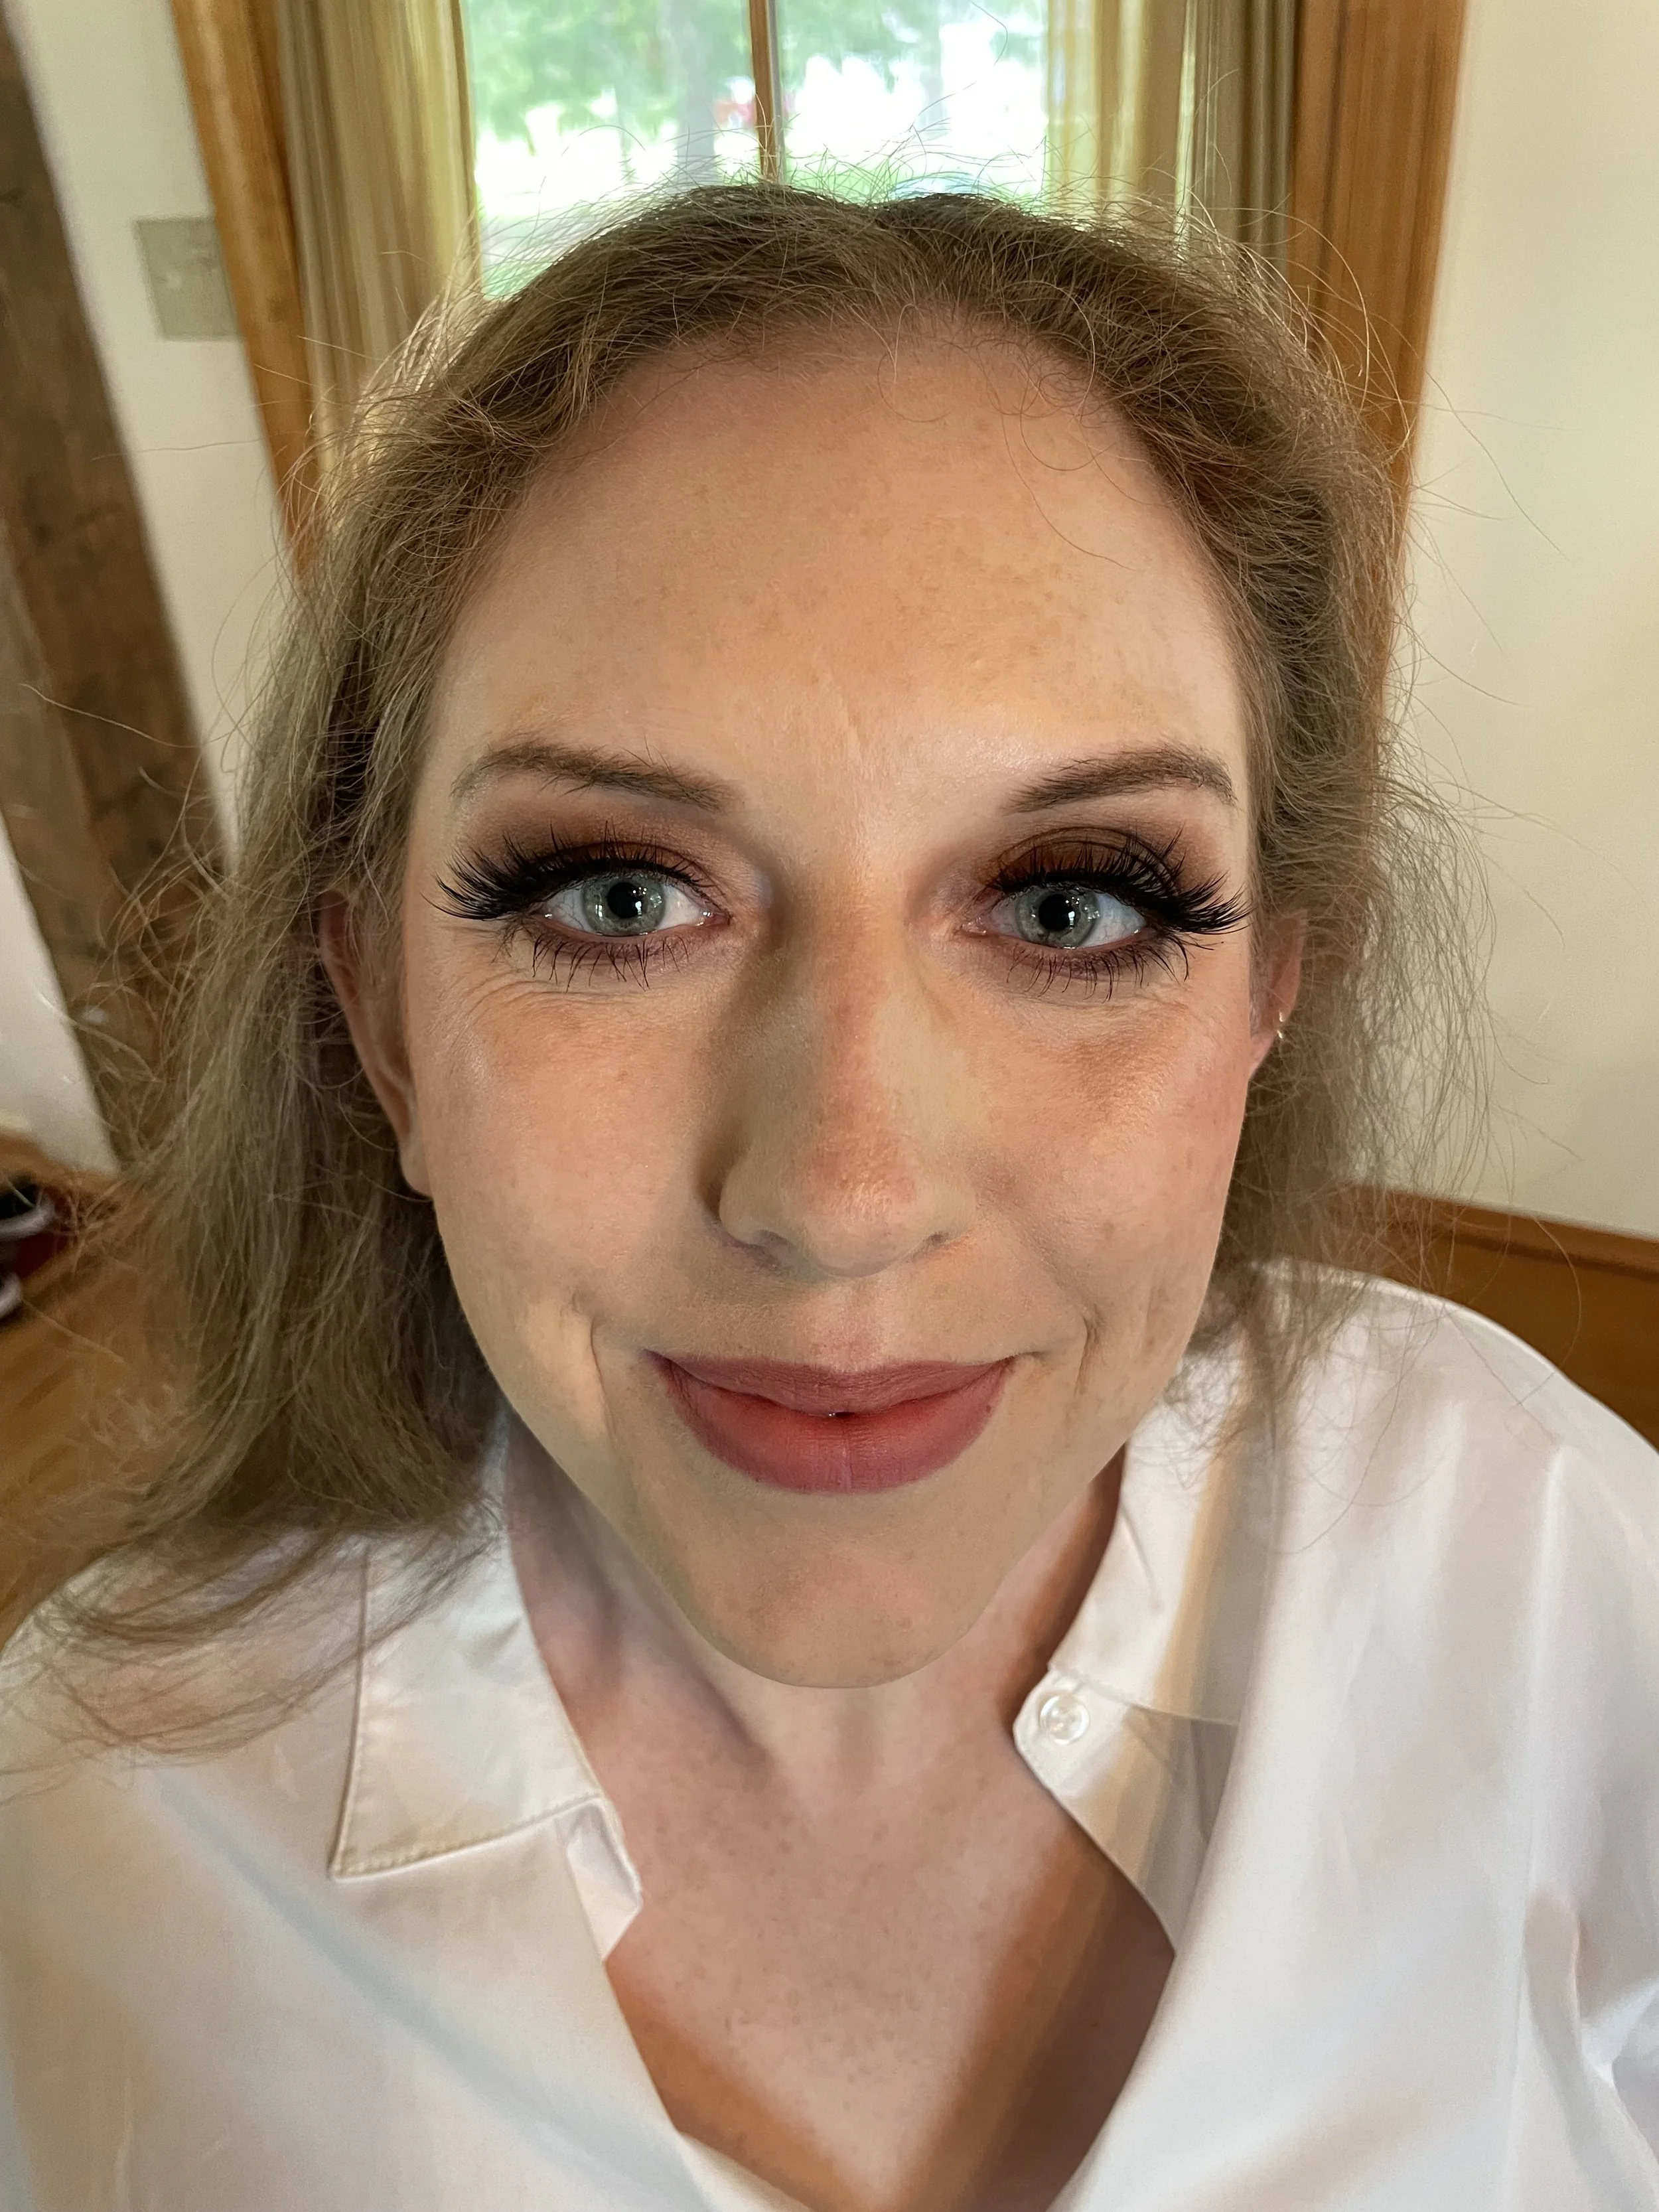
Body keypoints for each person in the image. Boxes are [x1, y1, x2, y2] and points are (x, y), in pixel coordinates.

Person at [1, 185, 1655, 2212]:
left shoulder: (1547, 1560)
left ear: (1263, 1003)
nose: (842, 1198)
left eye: (1071, 905)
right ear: (382, 1022)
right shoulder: (82, 1843)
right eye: (618, 897)